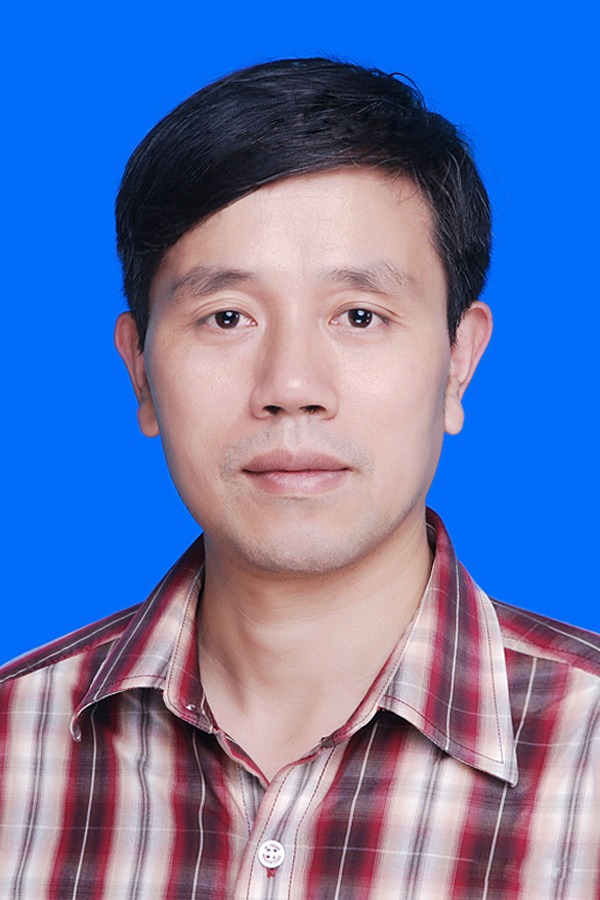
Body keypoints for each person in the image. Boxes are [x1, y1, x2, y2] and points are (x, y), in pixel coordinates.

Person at [0, 57, 598, 899]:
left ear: (459, 362)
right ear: (140, 372)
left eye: (359, 315)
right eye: (227, 317)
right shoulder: (13, 744)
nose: (290, 386)